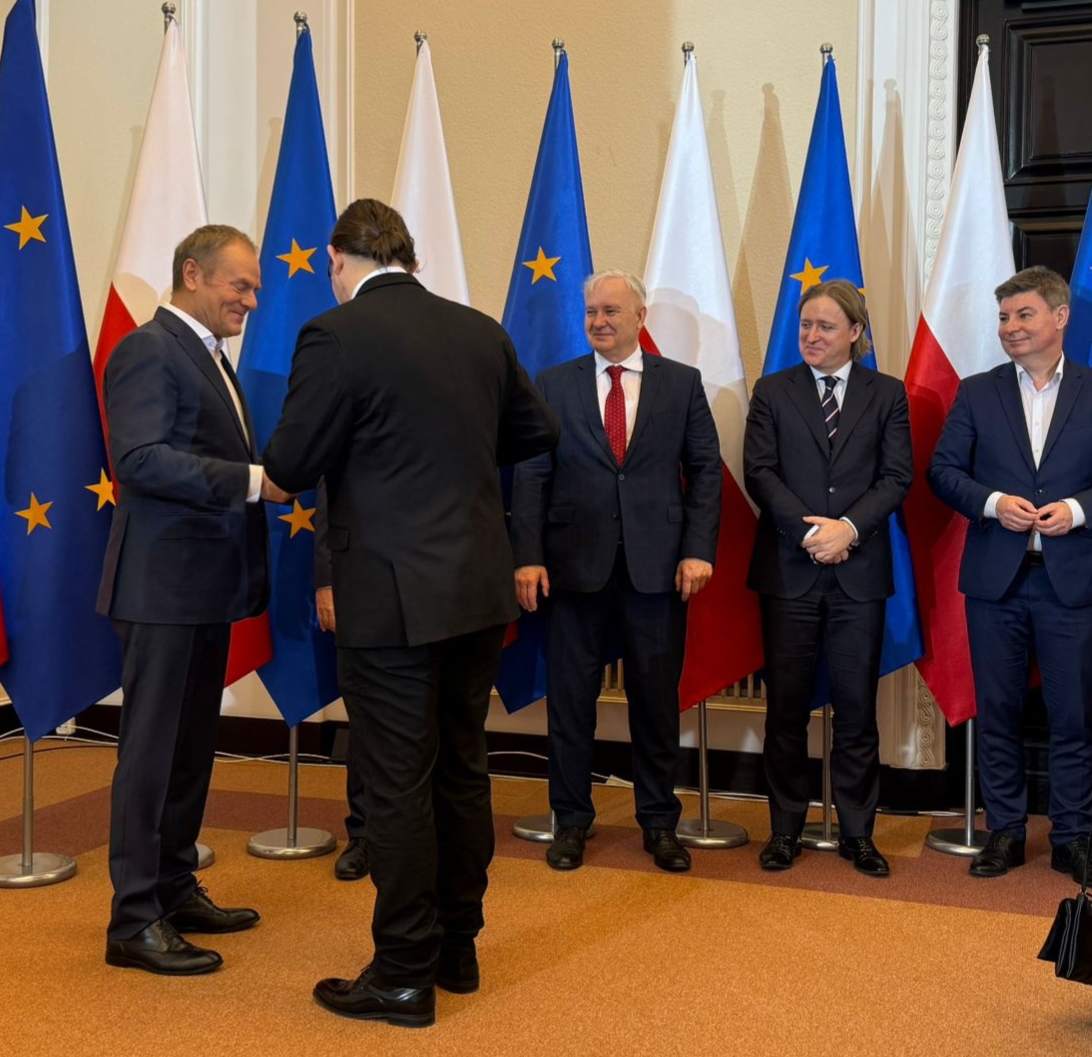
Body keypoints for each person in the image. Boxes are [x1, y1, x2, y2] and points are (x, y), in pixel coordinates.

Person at [263, 198, 559, 1028]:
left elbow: (290, 462)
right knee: (461, 769)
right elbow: (534, 431)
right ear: (409, 255)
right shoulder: (478, 331)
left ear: (338, 259)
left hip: (389, 595)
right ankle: (456, 948)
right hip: (475, 589)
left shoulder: (335, 334)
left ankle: (400, 972)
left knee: (396, 783)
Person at [96, 225, 289, 975]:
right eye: (240, 286)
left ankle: (174, 887)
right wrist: (253, 481)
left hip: (203, 587)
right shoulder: (149, 349)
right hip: (161, 588)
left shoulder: (210, 358)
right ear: (192, 274)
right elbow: (141, 460)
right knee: (151, 752)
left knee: (189, 748)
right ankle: (133, 918)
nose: (251, 301)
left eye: (255, 289)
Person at [511, 269, 721, 873]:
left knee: (655, 705)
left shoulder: (681, 383)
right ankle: (571, 820)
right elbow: (532, 475)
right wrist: (528, 555)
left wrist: (698, 549)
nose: (599, 322)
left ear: (639, 317)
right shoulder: (554, 383)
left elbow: (705, 471)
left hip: (658, 572)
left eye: (611, 311)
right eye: (591, 312)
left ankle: (659, 823)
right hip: (574, 570)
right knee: (570, 704)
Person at [743, 278, 911, 878]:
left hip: (858, 575)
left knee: (857, 711)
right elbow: (760, 472)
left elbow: (896, 477)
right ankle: (784, 829)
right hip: (790, 572)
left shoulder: (887, 393)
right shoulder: (773, 390)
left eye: (826, 326)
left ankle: (858, 834)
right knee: (786, 710)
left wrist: (849, 530)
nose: (811, 336)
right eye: (806, 325)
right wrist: (812, 534)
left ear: (855, 332)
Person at [929, 265, 1092, 880]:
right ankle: (1005, 832)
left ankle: (1073, 836)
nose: (1010, 327)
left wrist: (1078, 511)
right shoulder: (977, 392)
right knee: (997, 711)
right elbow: (943, 472)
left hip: (1071, 582)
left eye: (1024, 314)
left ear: (1060, 316)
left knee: (1074, 716)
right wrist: (994, 503)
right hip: (996, 582)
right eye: (1003, 317)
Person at [314, 481, 370, 881]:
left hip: (437, 585)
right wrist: (326, 581)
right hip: (361, 582)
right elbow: (329, 495)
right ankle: (364, 834)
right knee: (365, 717)